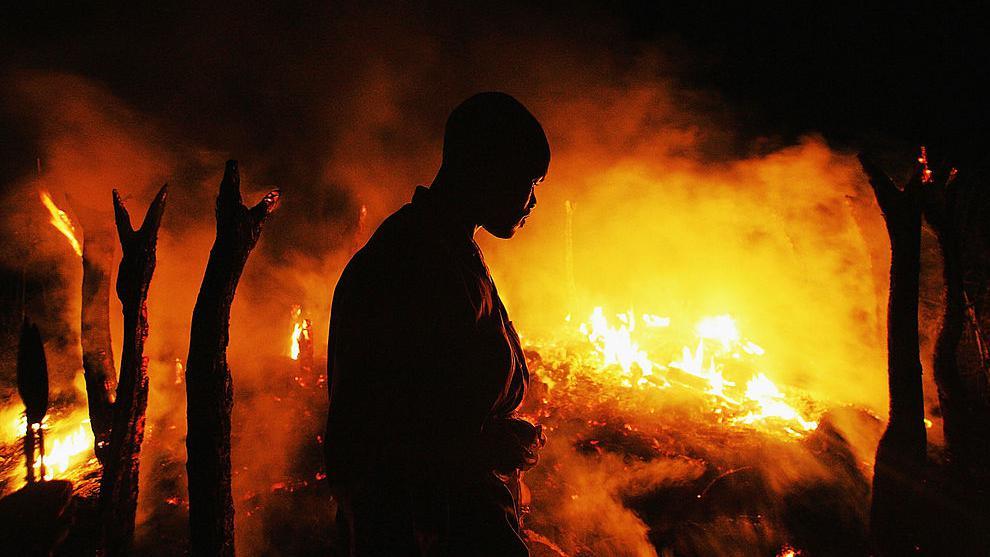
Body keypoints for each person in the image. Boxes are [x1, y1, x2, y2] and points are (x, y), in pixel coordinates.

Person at [324, 92, 549, 556]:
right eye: (529, 181)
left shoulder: (449, 249)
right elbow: (387, 432)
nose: (532, 201)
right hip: (423, 531)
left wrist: (494, 436)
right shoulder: (413, 260)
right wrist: (487, 447)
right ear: (487, 168)